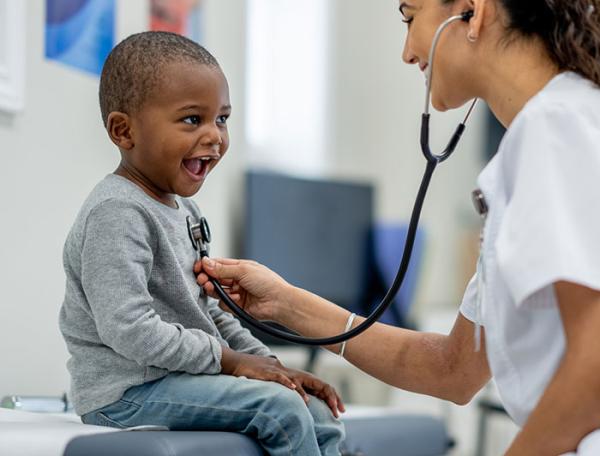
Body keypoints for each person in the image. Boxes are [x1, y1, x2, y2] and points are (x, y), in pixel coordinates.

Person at [196, 0, 600, 454]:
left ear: (471, 11)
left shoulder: (557, 124)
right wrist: (284, 303)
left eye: (410, 18)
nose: (407, 52)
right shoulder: (547, 132)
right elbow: (454, 369)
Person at [59, 31, 346, 456]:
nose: (215, 136)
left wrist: (275, 368)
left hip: (180, 378)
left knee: (313, 408)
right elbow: (129, 330)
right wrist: (232, 363)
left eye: (222, 119)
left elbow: (211, 312)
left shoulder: (185, 213)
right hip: (125, 395)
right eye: (193, 119)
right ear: (124, 130)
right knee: (281, 410)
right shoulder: (117, 212)